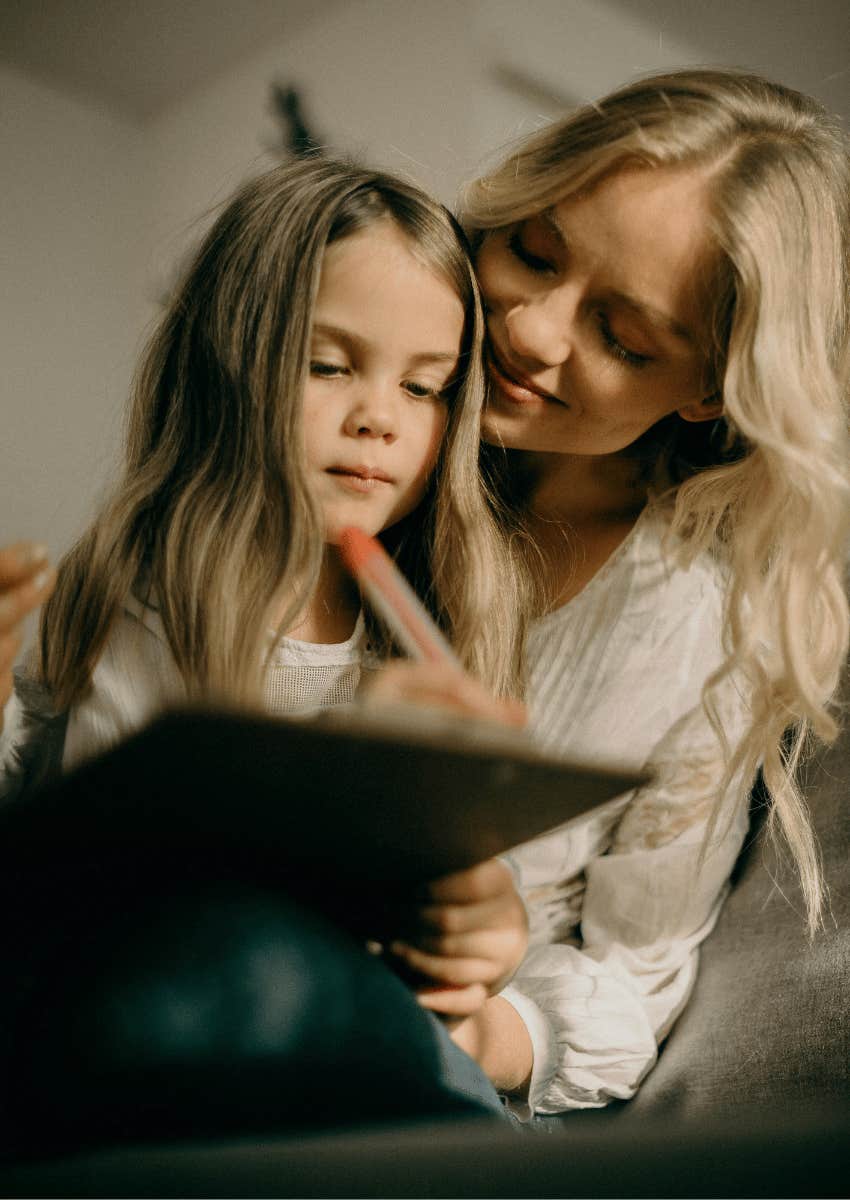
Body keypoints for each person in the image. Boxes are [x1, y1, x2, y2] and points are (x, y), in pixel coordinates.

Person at [0, 156, 532, 1141]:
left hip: (342, 1018)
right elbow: (71, 865)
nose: (378, 416)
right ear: (234, 359)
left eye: (426, 388)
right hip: (156, 987)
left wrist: (475, 919)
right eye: (330, 365)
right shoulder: (142, 588)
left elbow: (456, 924)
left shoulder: (431, 619)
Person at [376, 68, 850, 1122]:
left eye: (621, 337)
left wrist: (487, 1028)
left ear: (710, 387)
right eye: (531, 254)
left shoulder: (700, 627)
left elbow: (633, 979)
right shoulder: (360, 432)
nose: (533, 332)